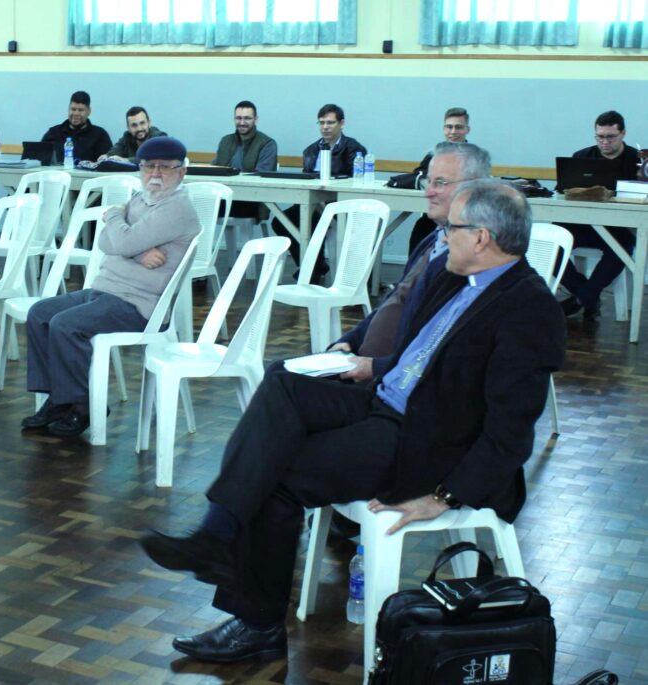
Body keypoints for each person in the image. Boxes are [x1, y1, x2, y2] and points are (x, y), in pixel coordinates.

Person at [140, 180, 565, 665]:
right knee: (282, 381)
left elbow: (511, 434)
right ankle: (216, 533)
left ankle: (256, 623)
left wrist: (444, 496)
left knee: (278, 474)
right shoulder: (456, 276)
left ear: (483, 238)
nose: (442, 234)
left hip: (423, 444)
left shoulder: (530, 310)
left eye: (451, 228)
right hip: (386, 400)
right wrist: (366, 361)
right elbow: (418, 353)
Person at [22, 136, 201, 438]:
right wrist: (137, 250)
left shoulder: (176, 207)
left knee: (66, 325)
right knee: (40, 313)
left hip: (139, 304)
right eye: (147, 167)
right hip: (107, 289)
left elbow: (119, 239)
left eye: (164, 168)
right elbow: (106, 242)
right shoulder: (142, 198)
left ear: (181, 172)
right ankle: (59, 398)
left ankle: (82, 406)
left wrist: (113, 216)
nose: (154, 174)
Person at [329, 142, 493, 383]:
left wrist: (374, 368)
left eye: (440, 183)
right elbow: (394, 301)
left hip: (391, 383)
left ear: (474, 187)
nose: (428, 191)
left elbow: (434, 350)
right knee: (282, 375)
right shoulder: (432, 239)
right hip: (363, 365)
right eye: (429, 181)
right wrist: (350, 340)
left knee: (282, 384)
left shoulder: (470, 261)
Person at [558, 110, 643, 319]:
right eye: (600, 137)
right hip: (582, 224)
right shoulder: (581, 156)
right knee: (552, 245)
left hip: (618, 228)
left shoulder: (637, 160)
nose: (605, 142)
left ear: (623, 133)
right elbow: (562, 189)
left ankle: (581, 299)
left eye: (610, 137)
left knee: (622, 249)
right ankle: (587, 296)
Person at [270, 103, 368, 278]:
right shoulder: (311, 150)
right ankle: (312, 265)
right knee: (280, 222)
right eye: (321, 122)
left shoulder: (354, 149)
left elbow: (355, 183)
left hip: (339, 205)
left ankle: (312, 269)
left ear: (342, 123)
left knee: (315, 220)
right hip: (312, 202)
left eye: (330, 123)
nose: (325, 127)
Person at [407, 108, 471, 253]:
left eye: (459, 127)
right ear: (444, 129)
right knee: (420, 229)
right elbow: (418, 175)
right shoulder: (434, 153)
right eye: (449, 127)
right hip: (434, 217)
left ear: (467, 130)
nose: (453, 131)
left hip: (463, 217)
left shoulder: (474, 156)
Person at [213, 100, 279, 221]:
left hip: (252, 201)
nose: (242, 122)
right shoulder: (225, 140)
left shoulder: (267, 144)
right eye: (238, 118)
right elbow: (215, 169)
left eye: (247, 118)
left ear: (256, 120)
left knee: (203, 208)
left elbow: (261, 177)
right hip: (223, 197)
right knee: (196, 205)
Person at [41, 90, 113, 163]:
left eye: (80, 110)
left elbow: (107, 163)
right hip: (57, 173)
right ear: (68, 109)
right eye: (73, 109)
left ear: (89, 111)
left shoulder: (100, 135)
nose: (76, 113)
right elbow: (39, 157)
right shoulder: (53, 133)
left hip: (87, 174)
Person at [100, 106, 166, 163]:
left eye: (142, 123)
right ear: (128, 128)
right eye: (134, 125)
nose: (139, 129)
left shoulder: (159, 138)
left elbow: (150, 158)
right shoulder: (127, 137)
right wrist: (105, 157)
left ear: (149, 123)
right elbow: (113, 153)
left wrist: (126, 160)